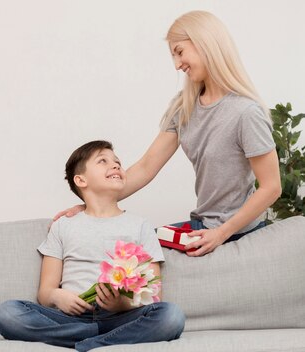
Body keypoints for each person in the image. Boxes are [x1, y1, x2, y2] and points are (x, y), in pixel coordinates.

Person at [54, 11, 281, 257]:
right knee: (127, 248)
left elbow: (271, 187)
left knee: (134, 253)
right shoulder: (184, 107)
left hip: (236, 229)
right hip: (203, 224)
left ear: (205, 42)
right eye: (173, 55)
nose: (177, 64)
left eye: (180, 51)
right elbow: (146, 167)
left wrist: (222, 233)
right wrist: (92, 204)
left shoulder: (246, 112)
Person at [0, 141, 185, 351]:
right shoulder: (63, 226)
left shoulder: (140, 226)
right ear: (81, 180)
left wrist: (121, 304)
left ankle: (87, 342)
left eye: (117, 162)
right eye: (103, 161)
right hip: (71, 317)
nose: (115, 166)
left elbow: (154, 292)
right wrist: (58, 296)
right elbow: (45, 292)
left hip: (121, 317)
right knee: (8, 313)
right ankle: (101, 339)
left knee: (171, 316)